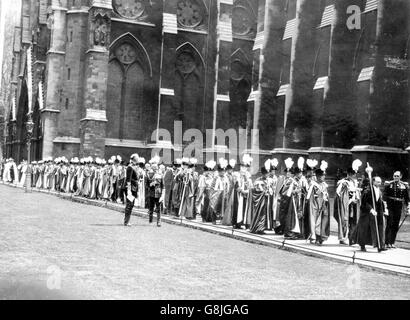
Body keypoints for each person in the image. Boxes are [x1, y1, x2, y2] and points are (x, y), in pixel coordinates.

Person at [351, 177, 388, 252]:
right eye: (377, 182)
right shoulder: (368, 191)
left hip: (377, 211)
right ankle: (362, 245)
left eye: (380, 182)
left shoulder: (379, 191)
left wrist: (384, 210)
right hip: (367, 212)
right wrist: (371, 209)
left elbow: (380, 201)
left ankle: (380, 245)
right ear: (373, 182)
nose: (379, 183)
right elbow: (364, 202)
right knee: (364, 228)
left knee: (380, 227)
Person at [334, 160, 362, 245]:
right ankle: (343, 238)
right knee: (345, 220)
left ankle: (352, 239)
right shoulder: (343, 183)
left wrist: (357, 198)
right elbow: (340, 194)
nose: (354, 176)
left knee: (354, 221)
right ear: (349, 174)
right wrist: (350, 200)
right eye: (353, 174)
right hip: (346, 205)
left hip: (354, 205)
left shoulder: (355, 182)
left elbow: (356, 192)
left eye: (355, 174)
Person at [384, 171, 410, 248]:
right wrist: (385, 206)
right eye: (394, 176)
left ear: (400, 177)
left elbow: (406, 198)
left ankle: (392, 242)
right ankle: (386, 242)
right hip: (390, 205)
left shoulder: (404, 186)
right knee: (390, 223)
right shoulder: (389, 184)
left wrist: (408, 208)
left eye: (397, 176)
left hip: (398, 206)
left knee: (395, 224)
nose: (396, 177)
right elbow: (385, 195)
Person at [307, 168, 330, 245]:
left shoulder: (324, 185)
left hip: (323, 206)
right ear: (318, 176)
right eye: (323, 176)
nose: (324, 177)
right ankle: (315, 236)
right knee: (315, 221)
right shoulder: (313, 185)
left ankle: (321, 236)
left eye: (324, 176)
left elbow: (326, 195)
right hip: (315, 206)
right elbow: (311, 197)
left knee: (323, 221)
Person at [146, 159, 164, 227]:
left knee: (158, 208)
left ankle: (158, 222)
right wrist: (151, 184)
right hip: (151, 193)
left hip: (158, 194)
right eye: (154, 169)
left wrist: (163, 194)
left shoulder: (160, 175)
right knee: (151, 208)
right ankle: (150, 219)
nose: (155, 170)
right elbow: (147, 185)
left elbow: (163, 185)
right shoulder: (148, 175)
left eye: (156, 168)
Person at [124, 154, 140, 226]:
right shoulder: (130, 167)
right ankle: (126, 221)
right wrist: (129, 190)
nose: (138, 159)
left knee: (131, 204)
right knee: (129, 204)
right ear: (134, 159)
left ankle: (127, 220)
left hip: (134, 188)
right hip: (130, 188)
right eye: (137, 158)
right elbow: (128, 180)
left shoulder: (134, 167)